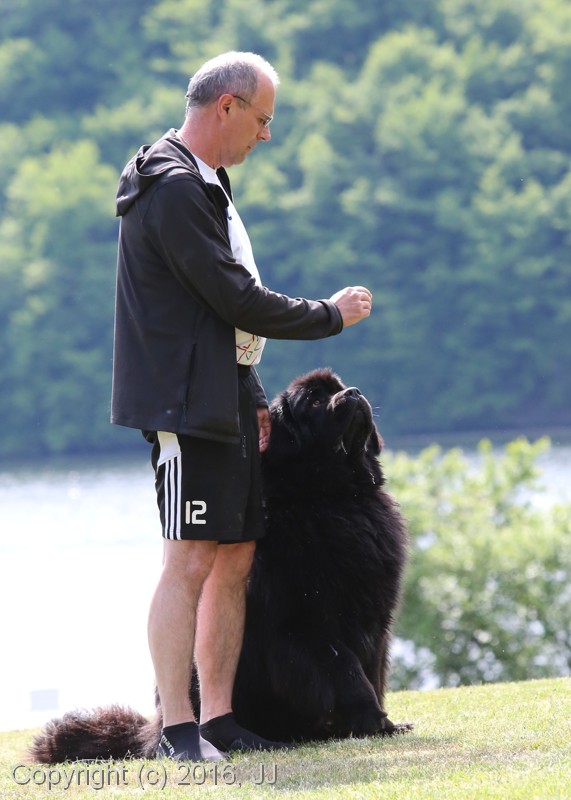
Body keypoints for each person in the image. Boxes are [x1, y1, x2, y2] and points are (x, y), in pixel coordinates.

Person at [111, 51, 373, 762]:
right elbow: (234, 297)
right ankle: (177, 729)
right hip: (183, 404)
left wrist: (252, 392)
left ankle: (219, 720)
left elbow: (217, 314)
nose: (266, 135)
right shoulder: (171, 187)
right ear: (226, 106)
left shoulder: (205, 180)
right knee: (189, 560)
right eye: (261, 119)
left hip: (223, 395)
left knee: (234, 556)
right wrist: (329, 314)